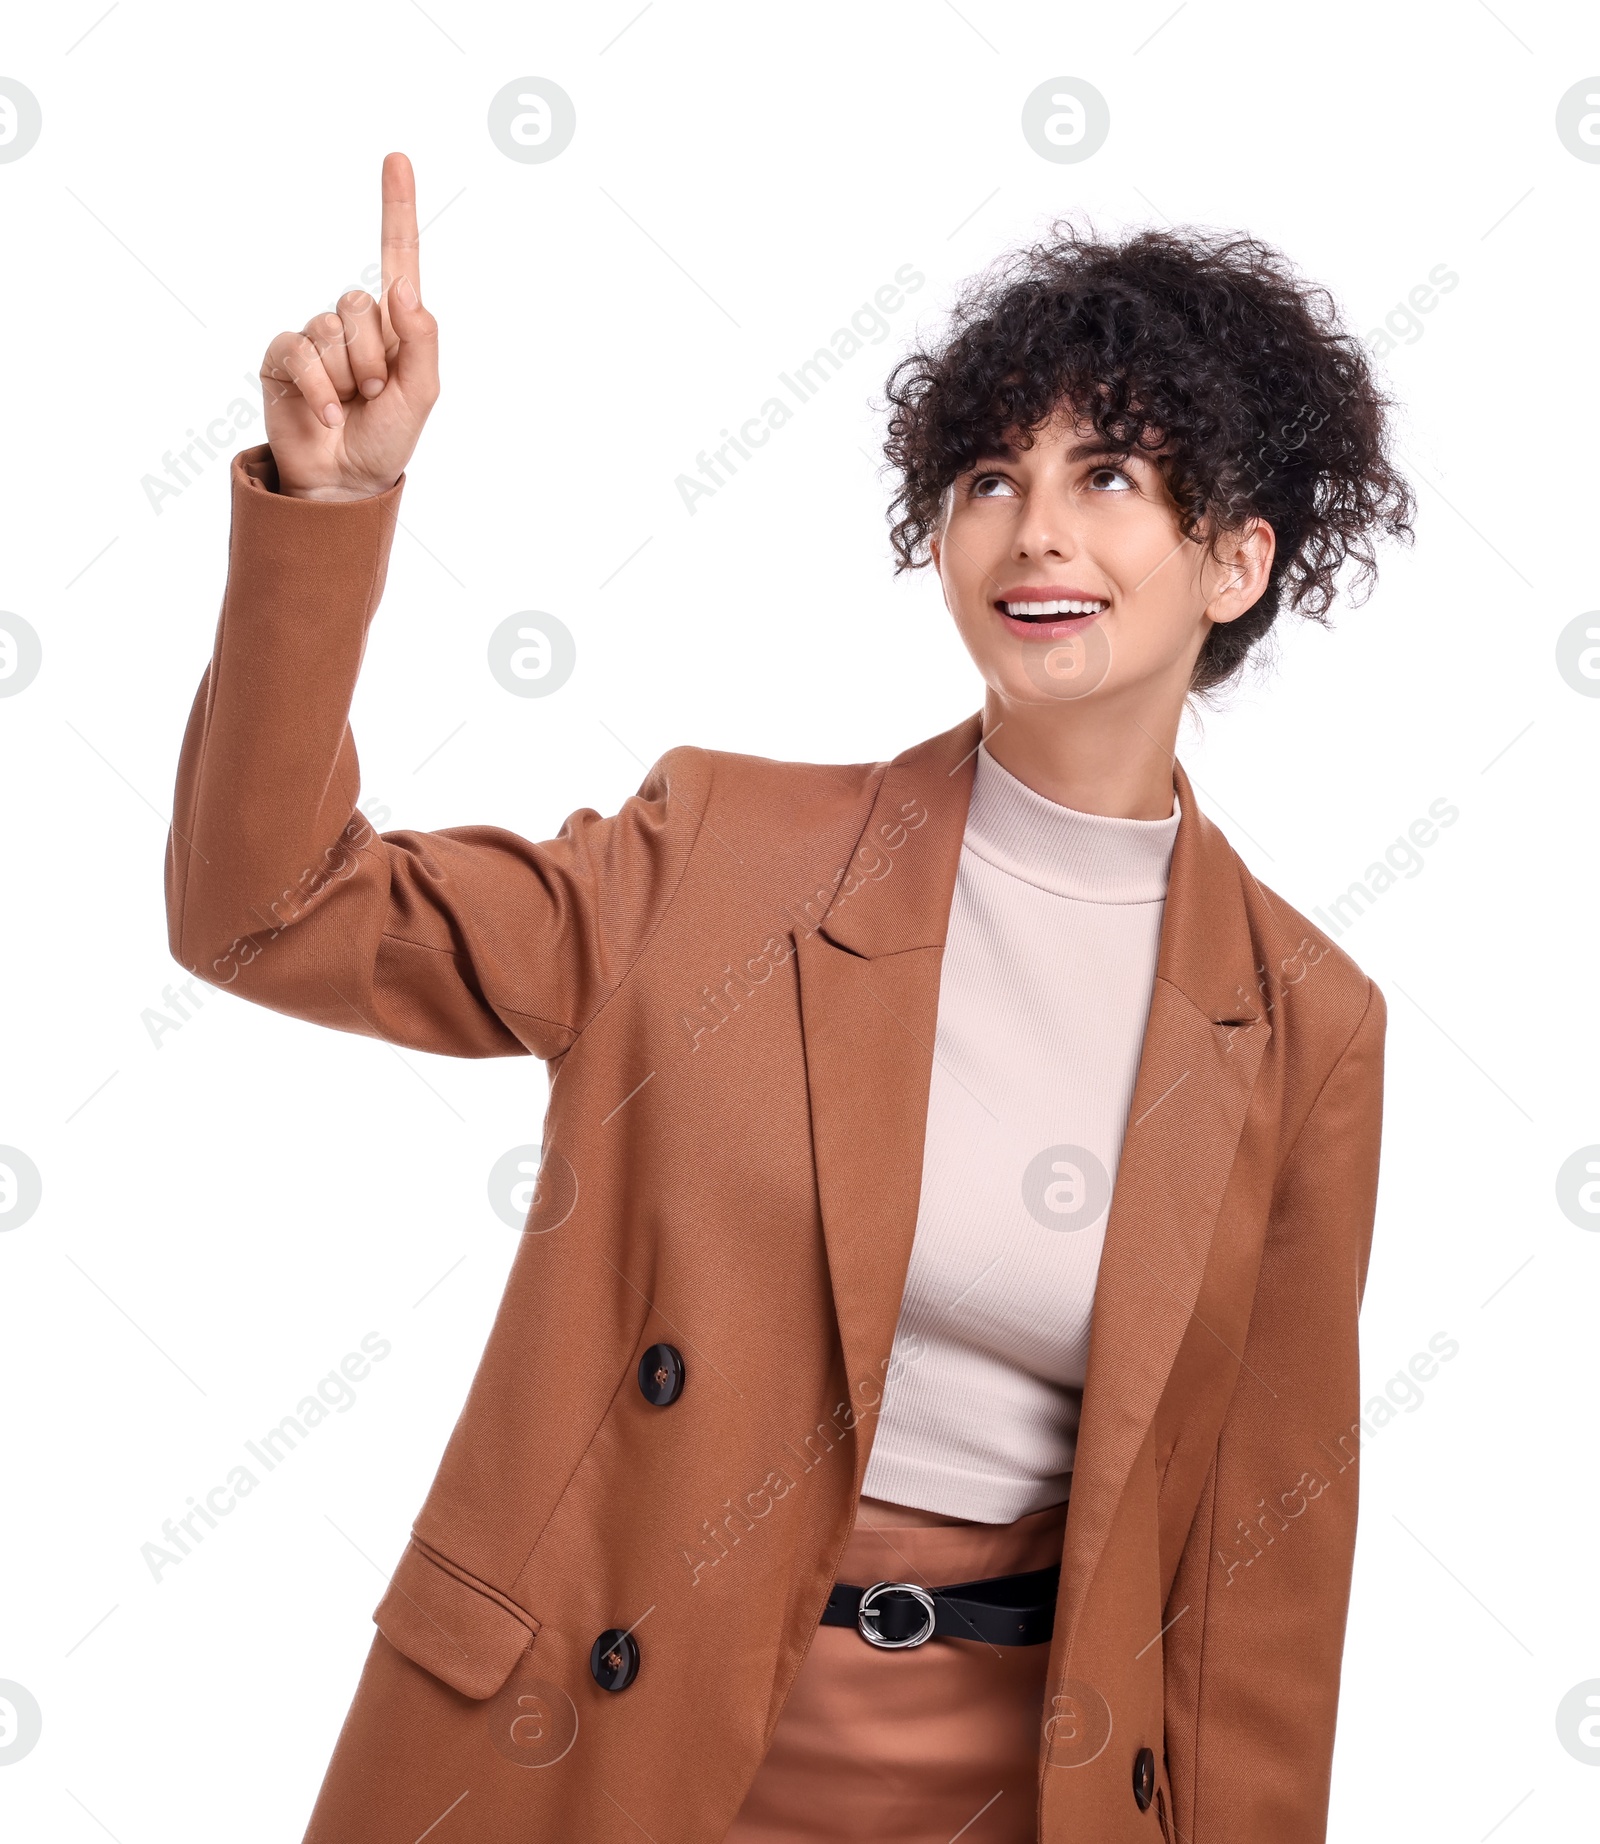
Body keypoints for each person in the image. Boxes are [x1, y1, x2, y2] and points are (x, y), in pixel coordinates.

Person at [164, 151, 1410, 1844]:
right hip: (603, 1751)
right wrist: (328, 511)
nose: (1034, 525)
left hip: (1018, 1792)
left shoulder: (1307, 1023)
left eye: (1110, 472)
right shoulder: (725, 858)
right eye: (989, 475)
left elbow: (1259, 1590)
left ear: (1238, 560)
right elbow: (269, 911)